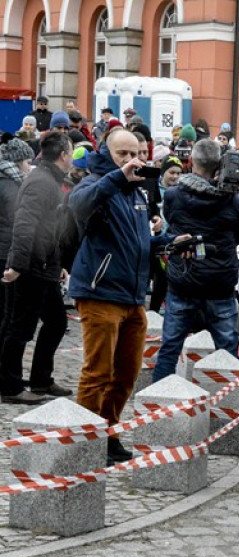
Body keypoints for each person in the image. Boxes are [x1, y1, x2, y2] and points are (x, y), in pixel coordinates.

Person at [68, 128, 172, 464]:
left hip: (132, 296)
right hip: (100, 293)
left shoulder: (137, 191)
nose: (132, 160)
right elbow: (78, 205)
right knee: (98, 372)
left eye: (136, 154)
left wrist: (169, 243)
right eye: (123, 154)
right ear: (106, 154)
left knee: (126, 374)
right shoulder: (97, 183)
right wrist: (116, 177)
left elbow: (138, 242)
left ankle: (108, 433)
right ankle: (85, 444)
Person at [151, 139, 239, 382]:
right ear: (220, 164)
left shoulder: (174, 195)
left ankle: (157, 398)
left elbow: (171, 220)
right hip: (219, 284)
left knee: (170, 347)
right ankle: (228, 401)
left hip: (183, 280)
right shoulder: (232, 199)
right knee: (227, 350)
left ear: (191, 161)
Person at [0, 132, 74, 404]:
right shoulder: (40, 182)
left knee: (56, 322)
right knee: (19, 328)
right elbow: (24, 224)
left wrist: (59, 264)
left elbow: (51, 228)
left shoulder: (50, 180)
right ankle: (10, 387)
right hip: (31, 267)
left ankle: (41, 380)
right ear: (63, 155)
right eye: (70, 152)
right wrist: (18, 265)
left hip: (45, 266)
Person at [0, 138, 34, 330]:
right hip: (5, 252)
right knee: (6, 310)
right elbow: (17, 221)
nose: (29, 167)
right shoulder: (11, 186)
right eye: (28, 162)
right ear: (18, 162)